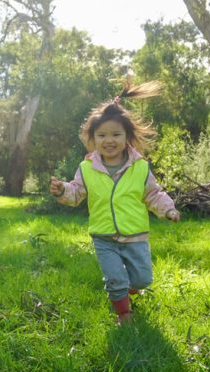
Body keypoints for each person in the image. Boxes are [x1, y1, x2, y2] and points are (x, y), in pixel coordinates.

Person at [49, 80, 180, 325]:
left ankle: (129, 291)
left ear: (127, 137)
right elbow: (75, 193)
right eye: (102, 135)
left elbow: (153, 193)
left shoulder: (139, 167)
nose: (109, 140)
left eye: (116, 134)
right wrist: (61, 190)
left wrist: (168, 209)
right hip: (103, 236)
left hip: (135, 235)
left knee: (142, 280)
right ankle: (123, 313)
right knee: (114, 278)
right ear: (93, 138)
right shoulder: (87, 168)